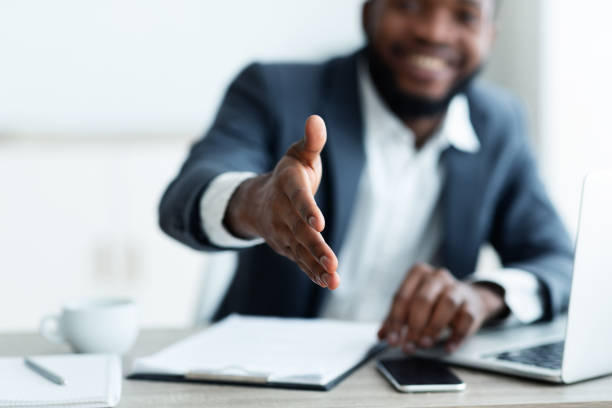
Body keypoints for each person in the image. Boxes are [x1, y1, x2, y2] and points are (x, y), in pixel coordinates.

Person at [159, 0, 573, 354]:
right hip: (268, 377)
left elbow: (557, 260)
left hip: (417, 377)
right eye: (410, 5)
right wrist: (256, 202)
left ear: (489, 36)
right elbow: (185, 196)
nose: (433, 32)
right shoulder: (275, 89)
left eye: (464, 15)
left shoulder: (500, 123)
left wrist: (483, 297)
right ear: (369, 12)